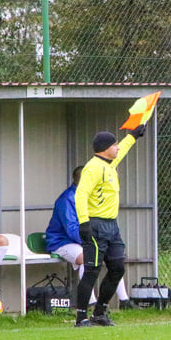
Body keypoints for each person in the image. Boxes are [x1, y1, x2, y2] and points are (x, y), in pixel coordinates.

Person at [74, 124, 146, 327]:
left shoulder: (109, 164)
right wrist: (84, 223)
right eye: (114, 144)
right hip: (96, 225)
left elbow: (122, 151)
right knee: (91, 272)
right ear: (105, 148)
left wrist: (133, 136)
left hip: (112, 226)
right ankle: (81, 317)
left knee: (117, 268)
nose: (117, 147)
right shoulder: (93, 167)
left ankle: (100, 313)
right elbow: (81, 195)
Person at [45, 166, 137, 310]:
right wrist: (92, 243)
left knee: (113, 260)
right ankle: (92, 303)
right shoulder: (66, 199)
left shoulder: (91, 196)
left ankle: (124, 301)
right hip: (62, 241)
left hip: (88, 240)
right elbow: (72, 230)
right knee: (86, 259)